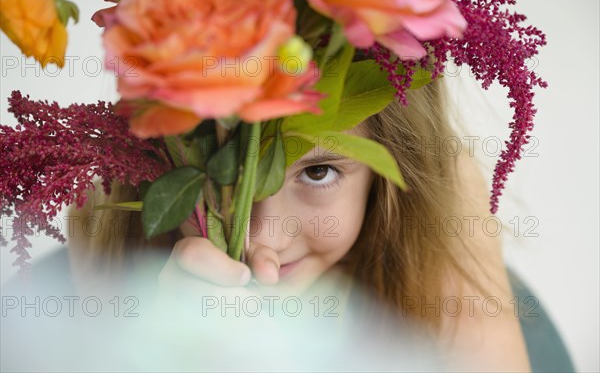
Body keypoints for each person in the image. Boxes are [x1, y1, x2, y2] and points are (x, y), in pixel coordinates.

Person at [63, 76, 531, 371]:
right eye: (213, 171)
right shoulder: (103, 200)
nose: (260, 245)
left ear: (394, 164)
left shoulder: (443, 195)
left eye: (317, 171)